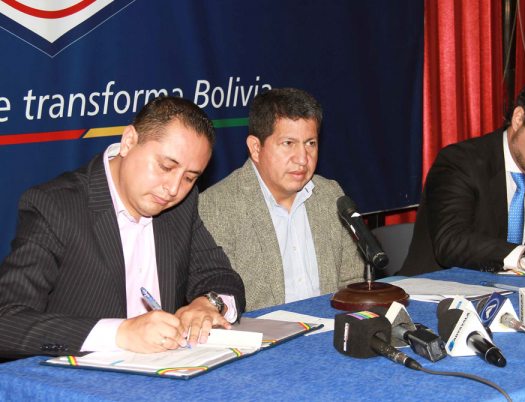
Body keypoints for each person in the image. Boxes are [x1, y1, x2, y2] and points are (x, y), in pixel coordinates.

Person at [0, 96, 245, 358]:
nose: (174, 189)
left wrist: (208, 304)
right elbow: (7, 321)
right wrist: (121, 333)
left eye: (189, 177)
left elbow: (221, 277)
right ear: (129, 141)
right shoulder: (55, 206)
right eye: (166, 167)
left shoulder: (180, 205)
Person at [402, 73, 525, 276]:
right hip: (438, 287)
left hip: (514, 290)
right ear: (519, 118)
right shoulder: (460, 162)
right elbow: (451, 242)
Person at [198, 88, 364, 311]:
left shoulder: (330, 194)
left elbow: (353, 282)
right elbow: (220, 302)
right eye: (288, 143)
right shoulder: (217, 206)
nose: (303, 159)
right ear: (256, 148)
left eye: (310, 143)